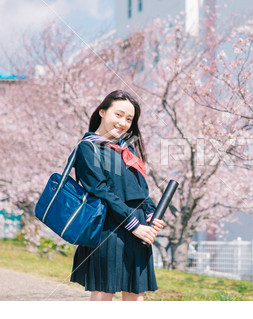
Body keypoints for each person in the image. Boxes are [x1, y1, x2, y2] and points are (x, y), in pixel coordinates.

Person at [70, 90, 164, 301]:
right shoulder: (88, 148)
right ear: (102, 112)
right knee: (104, 292)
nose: (123, 122)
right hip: (109, 229)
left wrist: (150, 215)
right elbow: (101, 191)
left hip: (138, 229)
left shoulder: (126, 150)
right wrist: (135, 226)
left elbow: (141, 192)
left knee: (136, 294)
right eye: (118, 115)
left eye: (129, 119)